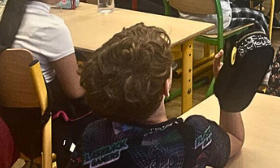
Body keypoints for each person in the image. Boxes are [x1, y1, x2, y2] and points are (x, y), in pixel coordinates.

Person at [70, 23, 244, 167]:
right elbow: (235, 139)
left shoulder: (93, 137)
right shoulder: (194, 134)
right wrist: (227, 89)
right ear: (166, 87)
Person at [0, 0, 91, 165]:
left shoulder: (5, 16)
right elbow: (75, 91)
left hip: (2, 117)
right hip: (39, 125)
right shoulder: (52, 27)